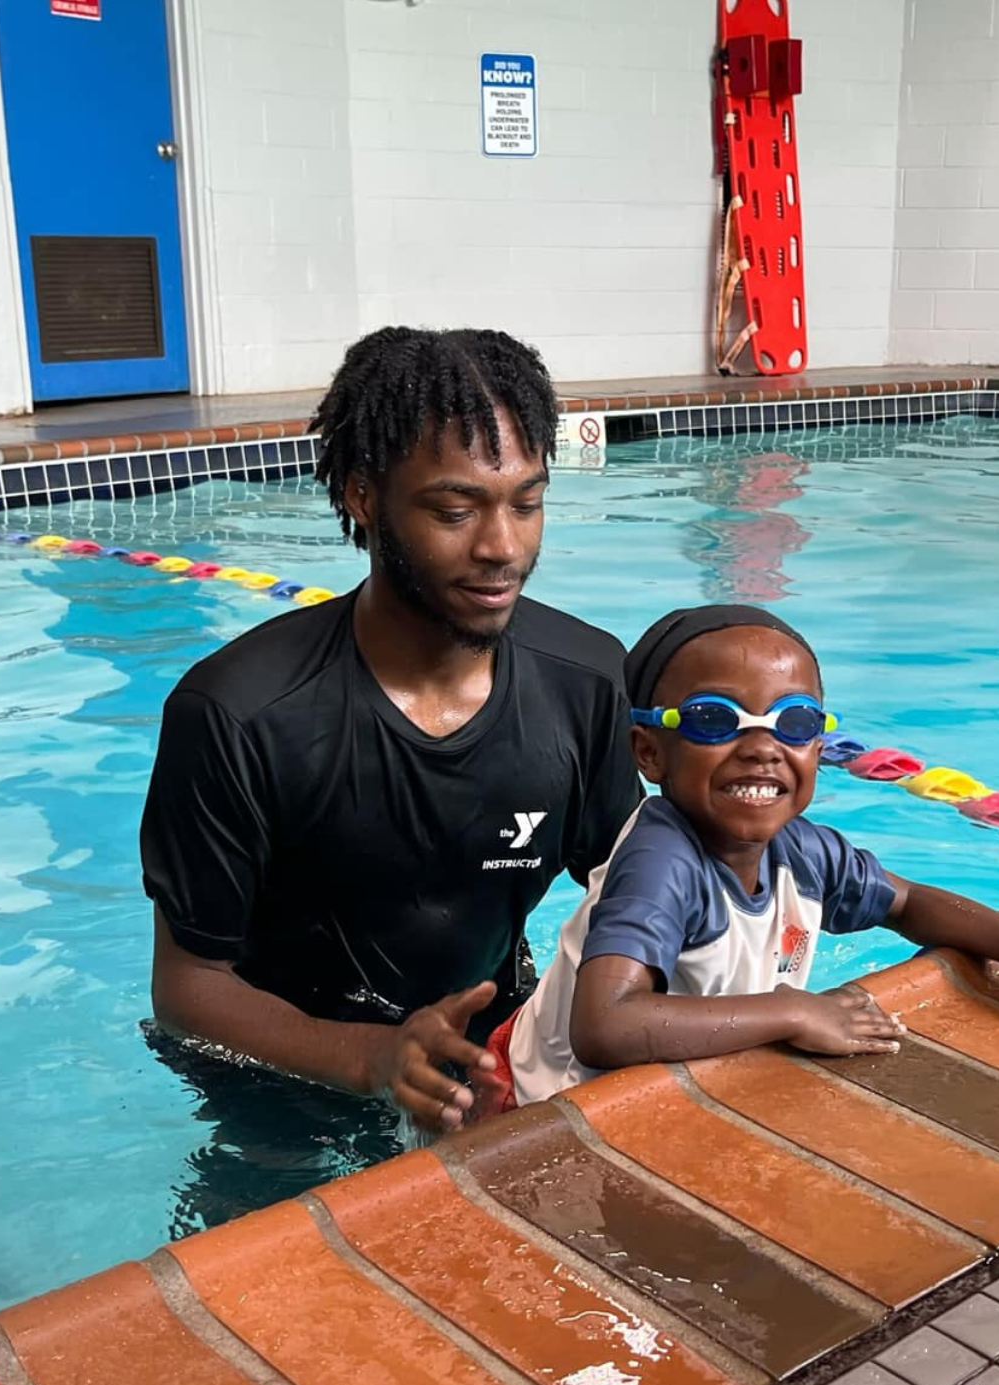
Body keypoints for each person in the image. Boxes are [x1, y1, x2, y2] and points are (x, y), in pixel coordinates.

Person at [140, 327, 642, 1175]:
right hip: (282, 1076)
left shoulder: (584, 682)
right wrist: (368, 1060)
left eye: (526, 502)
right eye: (455, 511)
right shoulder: (240, 714)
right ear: (363, 496)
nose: (502, 548)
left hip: (491, 1050)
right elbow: (188, 988)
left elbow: (634, 889)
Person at [497, 605, 999, 1107]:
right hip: (536, 1096)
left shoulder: (802, 852)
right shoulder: (662, 860)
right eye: (715, 721)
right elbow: (605, 1027)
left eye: (796, 723)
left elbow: (912, 904)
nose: (762, 747)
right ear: (649, 752)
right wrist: (795, 1009)